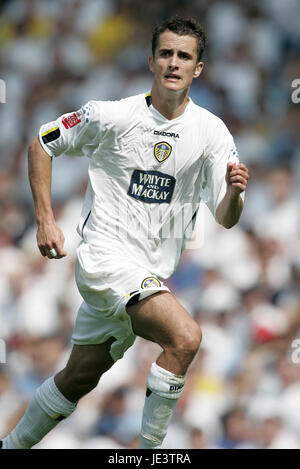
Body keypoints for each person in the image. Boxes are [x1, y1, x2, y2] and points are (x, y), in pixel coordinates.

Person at [0, 17, 249, 449]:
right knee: (186, 337)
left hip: (146, 275)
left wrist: (233, 193)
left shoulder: (212, 133)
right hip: (105, 258)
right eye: (166, 53)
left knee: (78, 378)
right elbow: (43, 141)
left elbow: (226, 217)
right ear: (152, 60)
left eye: (184, 56)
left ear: (199, 68)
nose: (174, 62)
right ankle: (150, 450)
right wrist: (45, 218)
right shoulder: (112, 115)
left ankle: (12, 445)